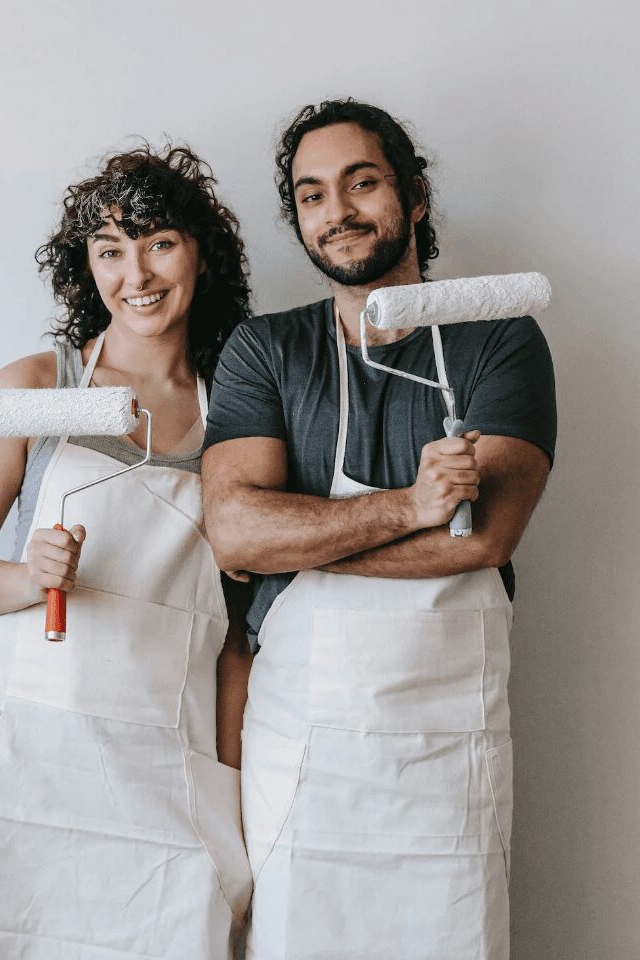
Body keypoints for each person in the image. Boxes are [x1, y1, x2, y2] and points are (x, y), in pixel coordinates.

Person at [0, 144, 255, 960]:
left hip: (159, 772)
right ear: (86, 267)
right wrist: (25, 576)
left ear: (200, 253)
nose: (136, 274)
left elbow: (237, 637)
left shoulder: (241, 413)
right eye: (109, 250)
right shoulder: (33, 390)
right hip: (11, 765)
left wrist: (230, 790)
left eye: (159, 243)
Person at [201, 99, 556, 959]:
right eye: (313, 194)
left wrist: (310, 542)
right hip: (304, 743)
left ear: (415, 194)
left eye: (362, 182)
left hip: (447, 752)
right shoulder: (266, 349)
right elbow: (237, 533)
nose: (340, 211)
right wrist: (409, 506)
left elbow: (483, 539)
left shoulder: (499, 338)